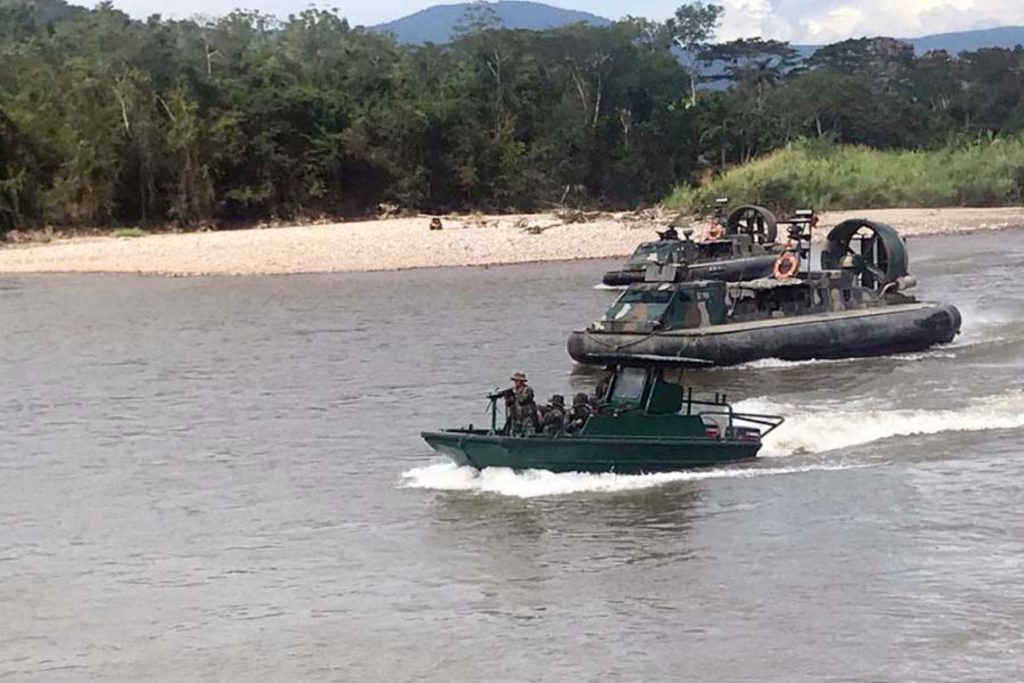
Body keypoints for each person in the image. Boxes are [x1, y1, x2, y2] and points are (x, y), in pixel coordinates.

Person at [508, 372, 538, 436]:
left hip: (527, 416)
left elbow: (522, 400)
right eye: (515, 381)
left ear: (522, 381)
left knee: (528, 433)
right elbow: (510, 403)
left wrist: (515, 393)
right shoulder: (514, 390)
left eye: (517, 381)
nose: (515, 382)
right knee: (514, 432)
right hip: (516, 416)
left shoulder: (528, 390)